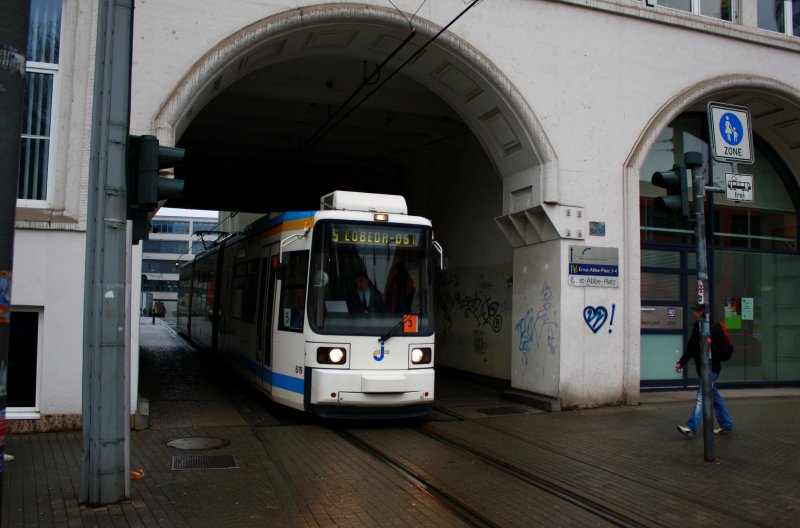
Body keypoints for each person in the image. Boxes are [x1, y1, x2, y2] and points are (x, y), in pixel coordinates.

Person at [675, 305, 734, 439]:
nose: (694, 314)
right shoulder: (697, 329)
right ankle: (726, 425)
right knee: (715, 398)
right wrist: (681, 363)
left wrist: (710, 361)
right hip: (703, 370)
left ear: (702, 312)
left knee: (702, 398)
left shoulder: (712, 329)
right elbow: (690, 349)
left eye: (696, 311)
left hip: (711, 370)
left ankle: (691, 427)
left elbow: (723, 352)